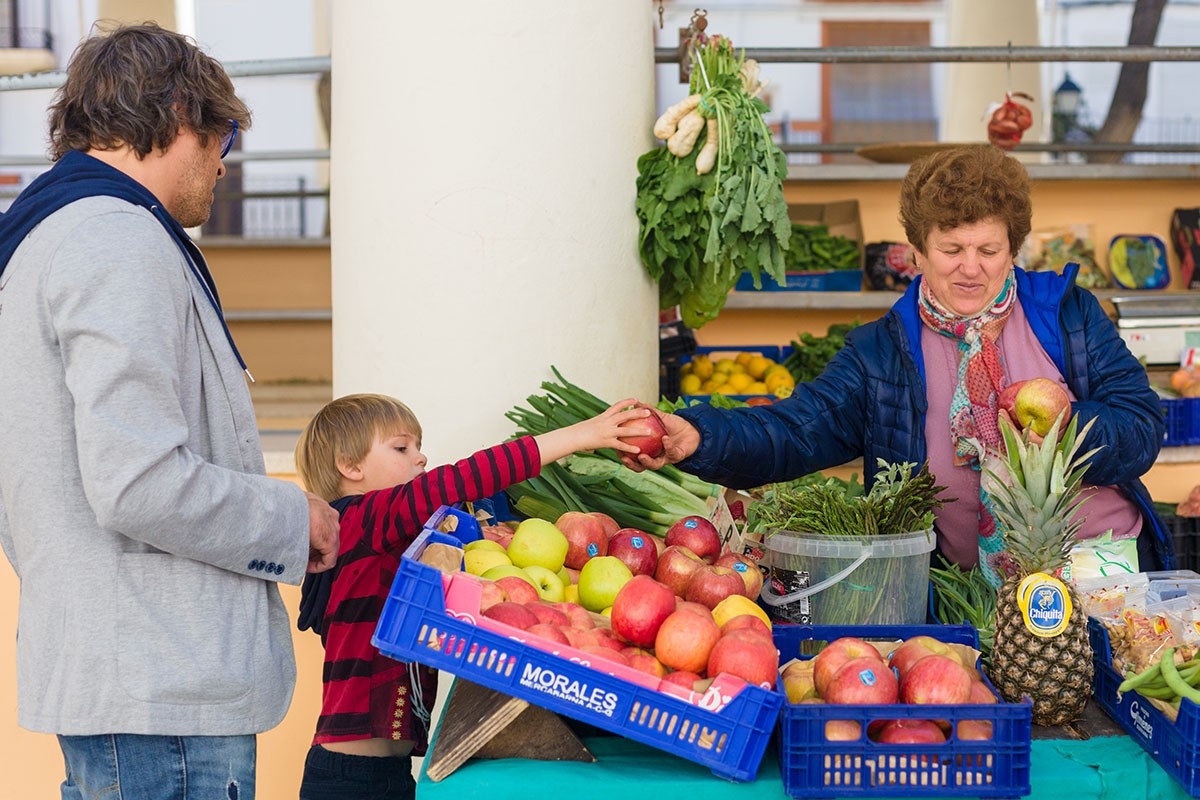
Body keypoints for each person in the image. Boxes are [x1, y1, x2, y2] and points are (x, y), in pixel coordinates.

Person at [0, 22, 340, 799]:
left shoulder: (41, 238)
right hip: (163, 689)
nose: (225, 163)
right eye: (224, 137)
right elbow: (139, 483)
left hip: (122, 676)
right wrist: (297, 522)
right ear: (180, 115)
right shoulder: (115, 240)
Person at [626, 143, 1174, 583]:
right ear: (916, 252)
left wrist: (1065, 426)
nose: (971, 270)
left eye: (988, 251)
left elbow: (1143, 426)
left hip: (1099, 576)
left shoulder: (1067, 314)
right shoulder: (881, 353)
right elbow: (794, 431)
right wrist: (696, 437)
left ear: (1013, 250)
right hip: (968, 594)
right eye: (950, 249)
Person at [292, 392, 652, 800]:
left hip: (383, 770)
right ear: (349, 465)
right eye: (402, 447)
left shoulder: (378, 539)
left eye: (420, 447)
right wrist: (579, 436)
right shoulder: (362, 518)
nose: (421, 458)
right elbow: (463, 478)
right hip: (350, 779)